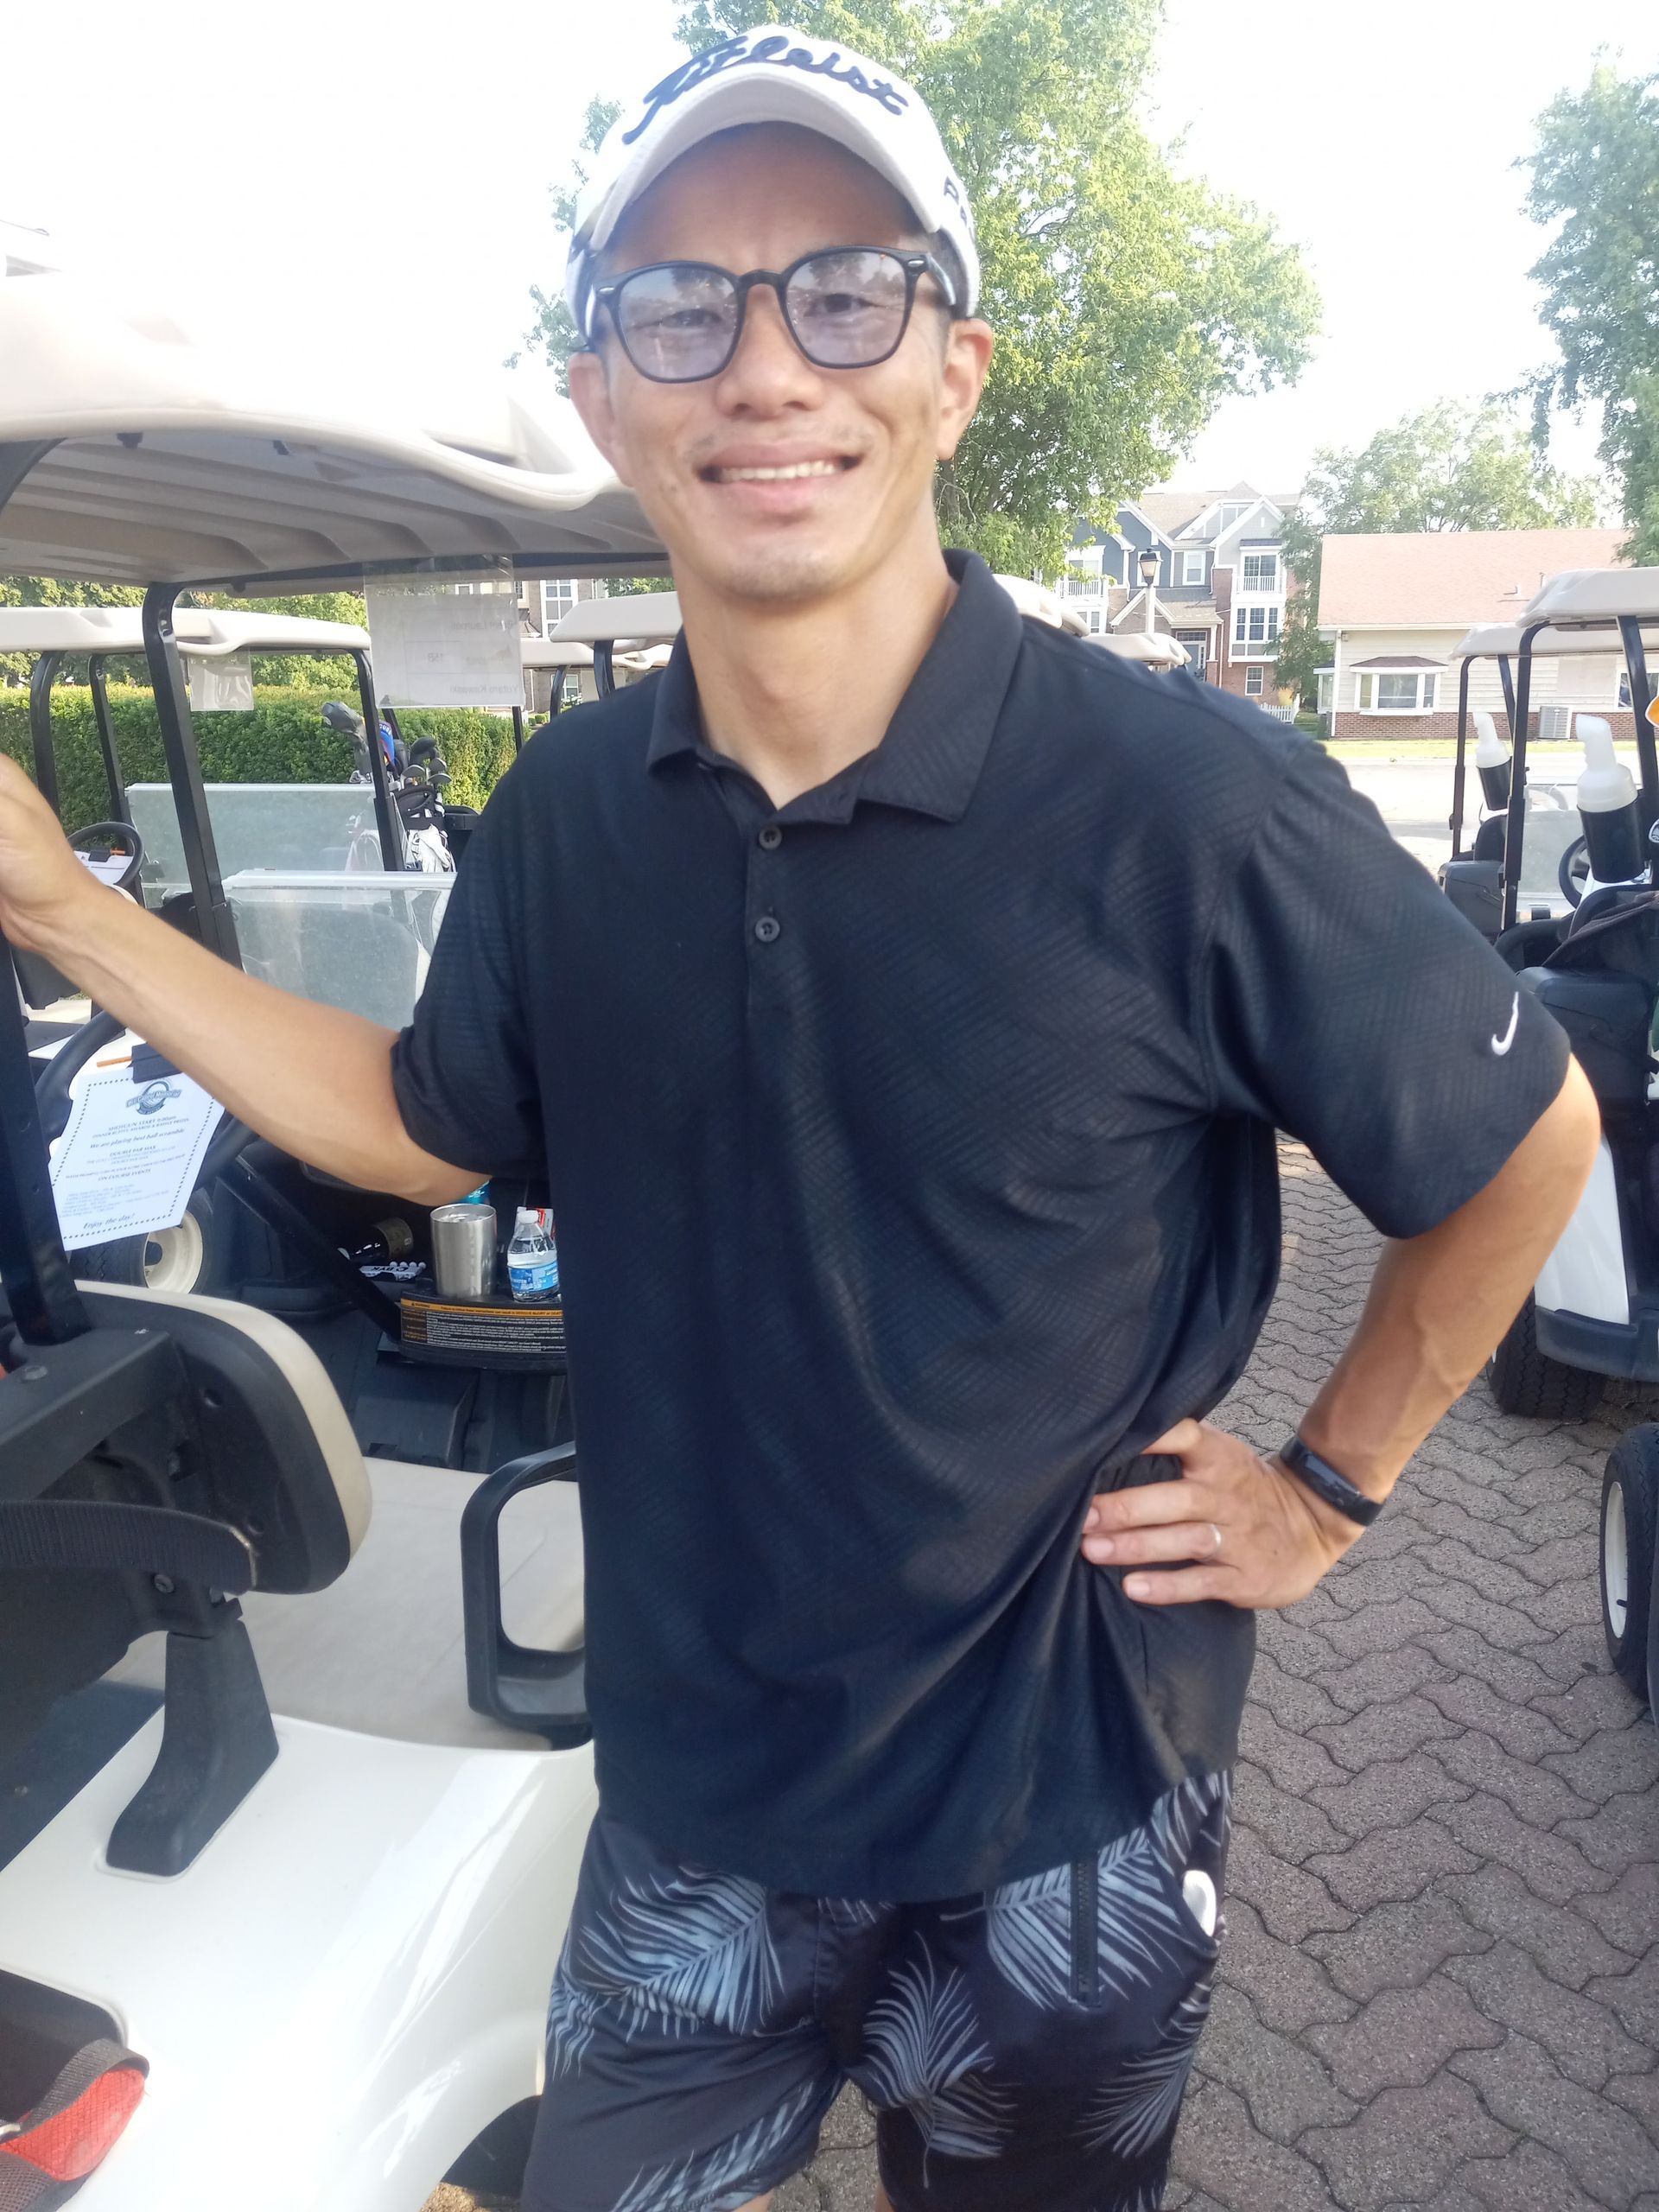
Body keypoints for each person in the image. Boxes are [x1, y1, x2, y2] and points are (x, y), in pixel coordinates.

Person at [0, 26, 1600, 2212]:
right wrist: (60, 904)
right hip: (689, 1811)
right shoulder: (566, 814)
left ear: (952, 365)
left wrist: (1331, 1477)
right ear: (604, 398)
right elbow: (424, 1123)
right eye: (684, 303)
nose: (767, 368)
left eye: (844, 289)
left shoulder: (1188, 803)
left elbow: (1524, 1144)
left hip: (1067, 1825)